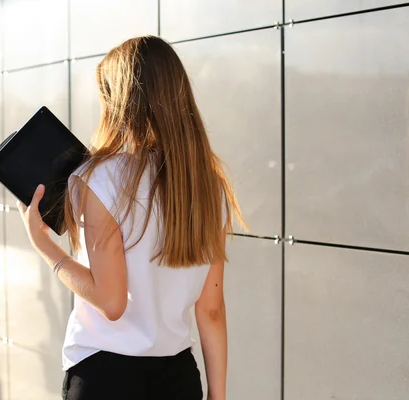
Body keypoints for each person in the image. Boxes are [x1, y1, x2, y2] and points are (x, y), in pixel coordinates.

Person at [16, 35, 245, 400]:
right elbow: (212, 309)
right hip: (178, 379)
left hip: (106, 378)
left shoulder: (100, 177)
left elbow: (111, 302)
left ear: (120, 102)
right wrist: (217, 396)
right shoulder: (208, 187)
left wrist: (46, 247)